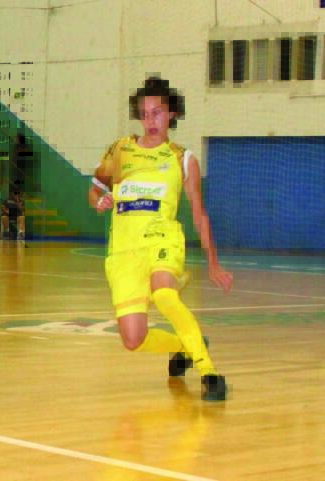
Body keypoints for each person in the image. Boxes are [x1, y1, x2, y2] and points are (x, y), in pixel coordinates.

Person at [88, 76, 233, 401]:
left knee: (165, 294)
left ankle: (209, 373)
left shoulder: (183, 158)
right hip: (124, 252)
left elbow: (199, 214)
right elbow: (94, 191)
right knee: (133, 339)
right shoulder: (120, 150)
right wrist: (99, 202)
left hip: (162, 240)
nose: (150, 120)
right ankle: (187, 344)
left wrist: (213, 262)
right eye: (144, 114)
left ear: (172, 114)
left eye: (157, 113)